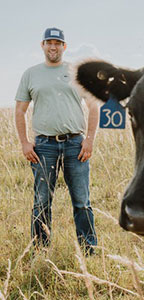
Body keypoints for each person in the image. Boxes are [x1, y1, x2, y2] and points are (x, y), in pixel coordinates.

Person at [15, 27, 98, 255]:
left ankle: (88, 250)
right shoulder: (31, 74)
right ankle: (40, 250)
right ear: (42, 45)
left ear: (64, 46)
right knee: (42, 201)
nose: (53, 47)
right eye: (49, 42)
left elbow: (93, 106)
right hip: (44, 146)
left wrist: (89, 140)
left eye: (58, 43)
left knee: (82, 201)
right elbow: (20, 110)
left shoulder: (76, 73)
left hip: (75, 145)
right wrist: (24, 142)